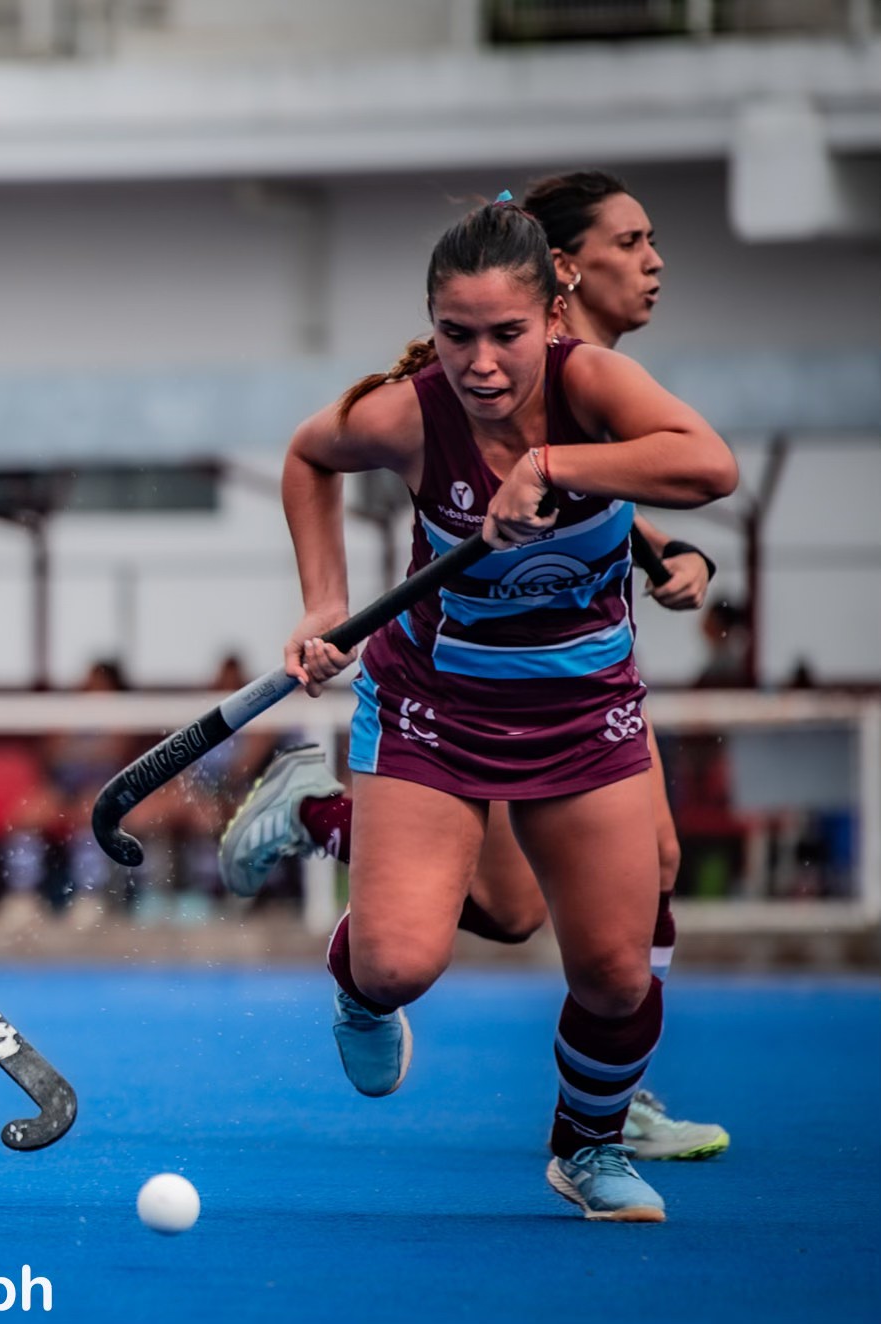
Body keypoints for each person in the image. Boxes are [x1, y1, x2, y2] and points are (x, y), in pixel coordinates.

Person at [220, 171, 731, 1161]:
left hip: (580, 707)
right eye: (457, 335)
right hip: (443, 707)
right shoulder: (415, 413)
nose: (482, 362)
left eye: (505, 335)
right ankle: (336, 859)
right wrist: (324, 604)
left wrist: (625, 519)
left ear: (552, 309)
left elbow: (684, 472)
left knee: (543, 924)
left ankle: (599, 1130)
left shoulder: (596, 381)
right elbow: (309, 453)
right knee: (405, 960)